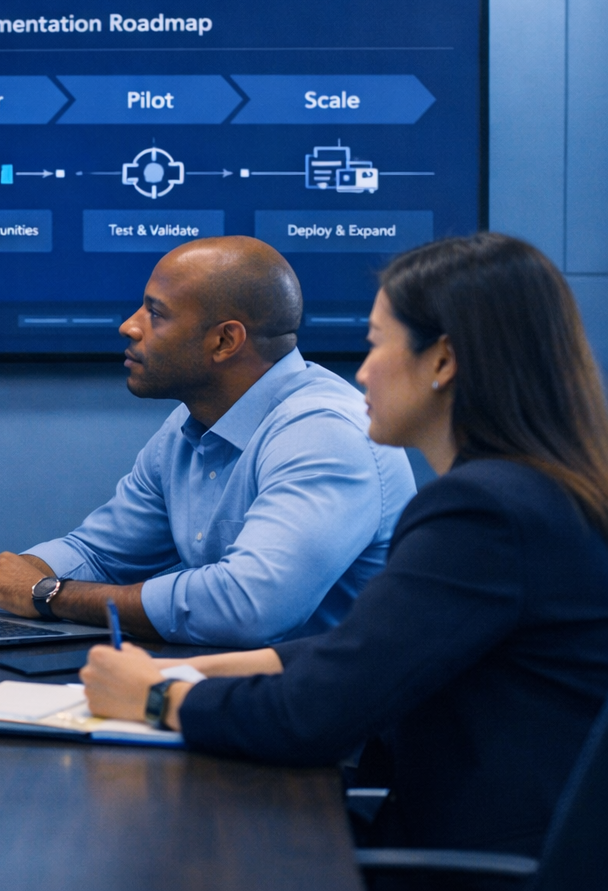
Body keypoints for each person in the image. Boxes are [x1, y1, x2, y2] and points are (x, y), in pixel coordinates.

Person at [81, 233, 608, 858]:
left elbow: (310, 716)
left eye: (376, 344)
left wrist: (156, 697)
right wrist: (180, 671)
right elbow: (361, 652)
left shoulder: (481, 513)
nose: (361, 373)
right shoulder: (536, 493)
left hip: (463, 864)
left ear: (442, 361)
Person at [0, 236, 415, 646]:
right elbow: (99, 554)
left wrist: (47, 592)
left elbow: (246, 607)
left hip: (327, 703)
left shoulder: (324, 433)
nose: (129, 326)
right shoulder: (188, 424)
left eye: (155, 314)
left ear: (224, 341)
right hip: (229, 686)